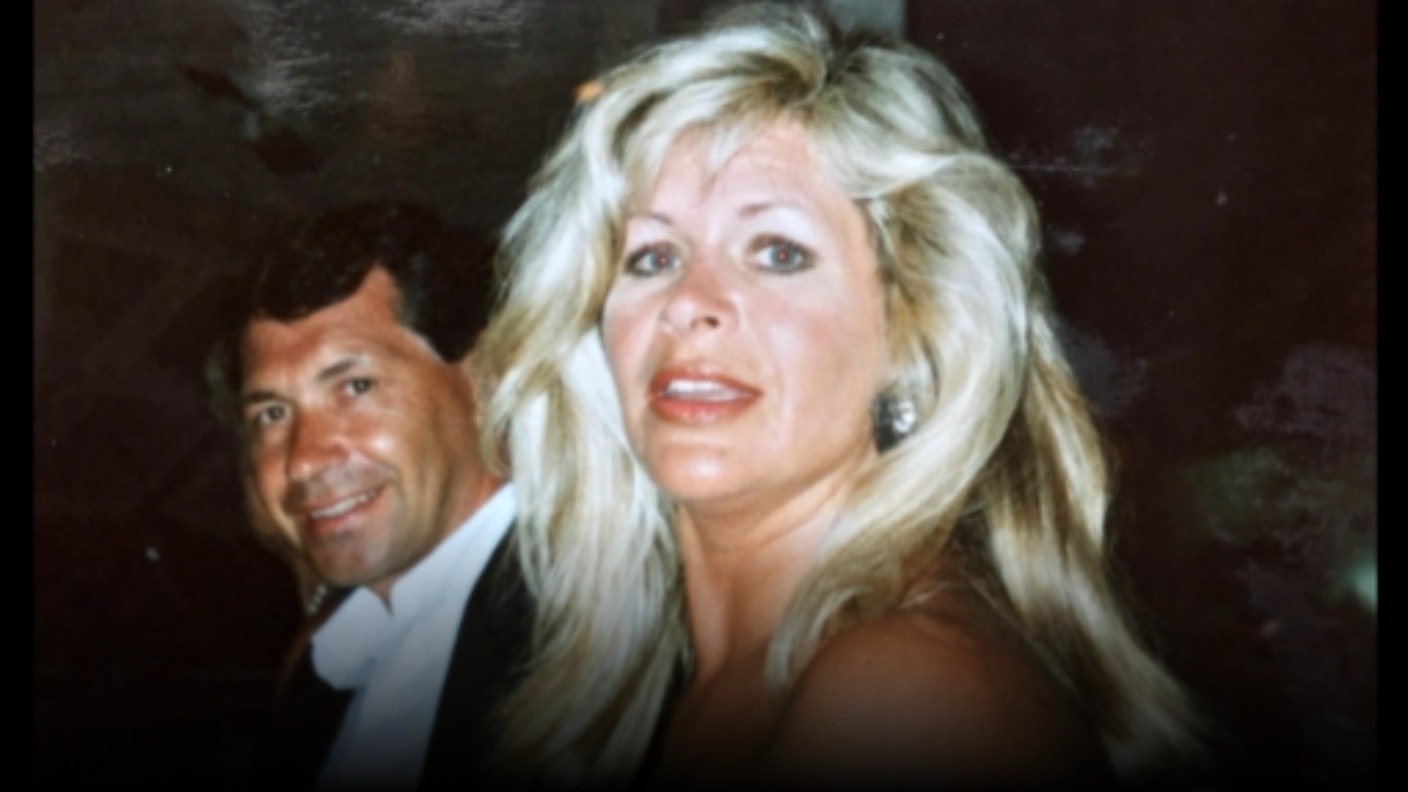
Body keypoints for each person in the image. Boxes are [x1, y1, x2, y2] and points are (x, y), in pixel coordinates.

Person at [477, 4, 1205, 789]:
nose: (688, 301)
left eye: (778, 252)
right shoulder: (687, 690)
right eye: (653, 256)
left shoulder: (904, 697)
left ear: (910, 332)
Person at [205, 200, 529, 790]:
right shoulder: (325, 668)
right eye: (273, 413)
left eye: (356, 386)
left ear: (484, 383)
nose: (303, 458)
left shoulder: (597, 627)